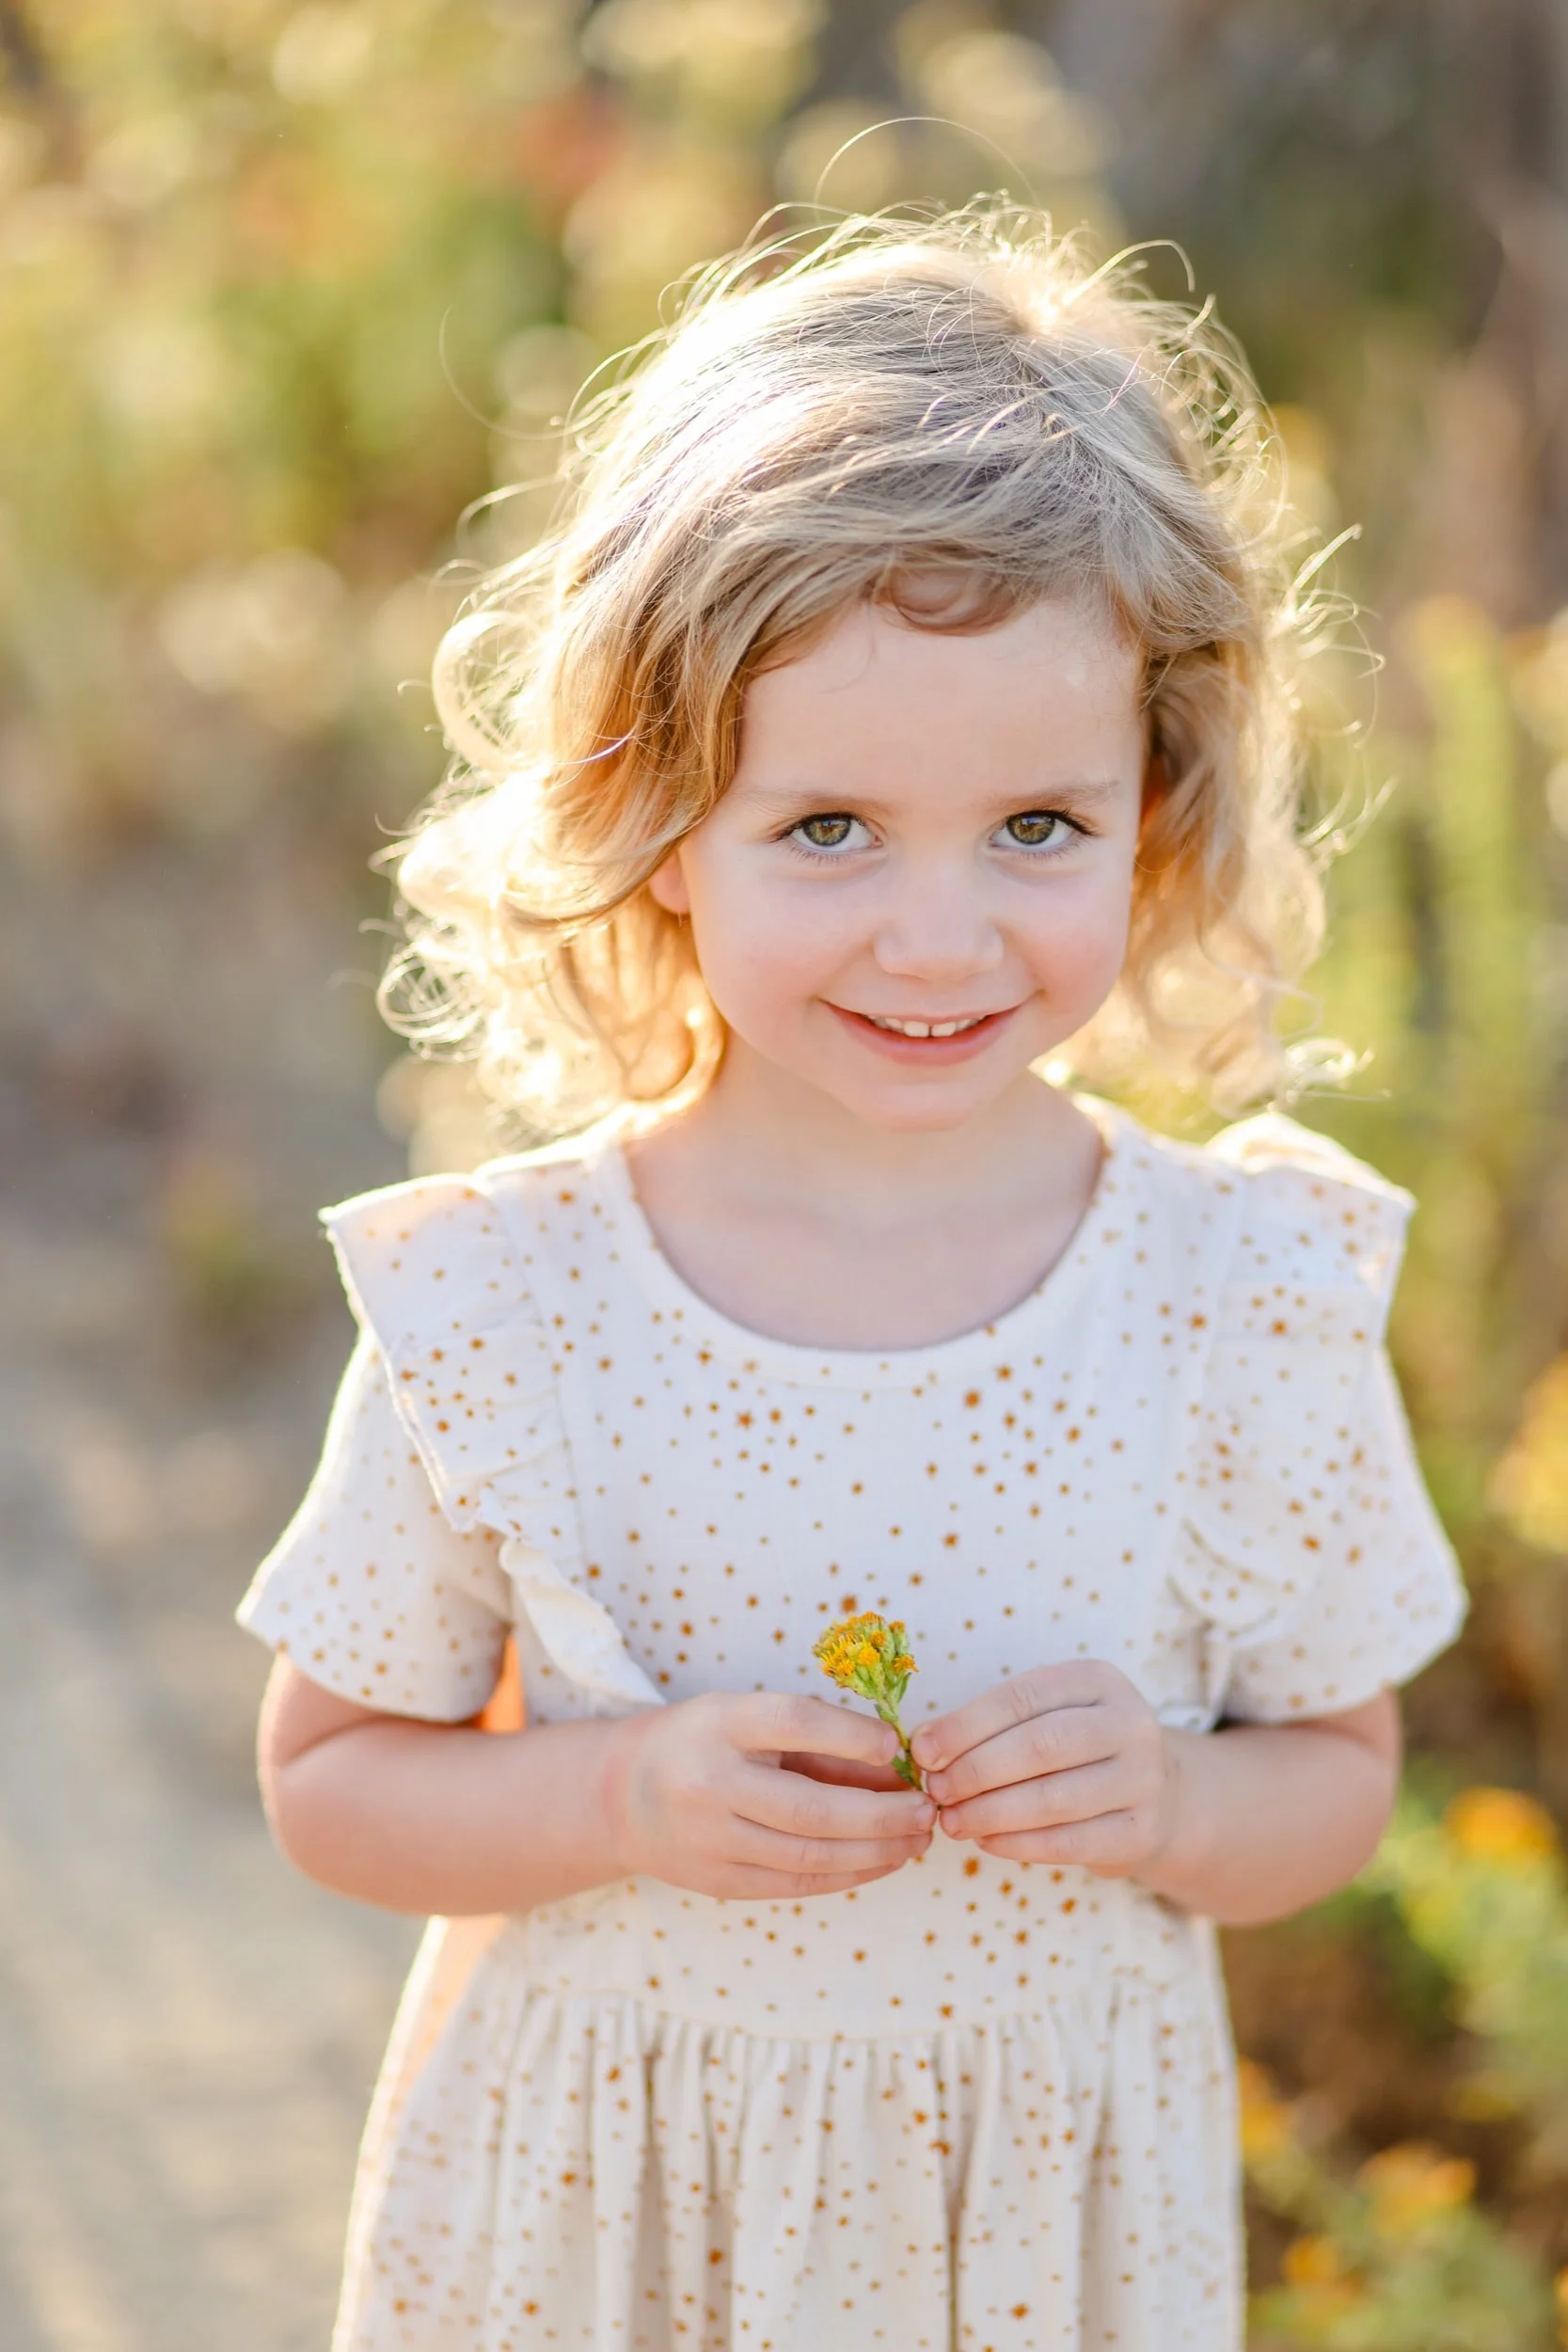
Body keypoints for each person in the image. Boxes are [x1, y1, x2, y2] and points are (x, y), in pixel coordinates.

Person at [238, 206, 1468, 2350]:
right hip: (600, 2237)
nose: (936, 933)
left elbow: (1336, 1769)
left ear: (1153, 816)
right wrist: (614, 1790)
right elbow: (333, 1774)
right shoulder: (511, 1299)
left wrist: (1179, 1796)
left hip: (1029, 2244)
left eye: (1032, 827)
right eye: (825, 829)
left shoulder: (1232, 1290)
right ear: (651, 814)